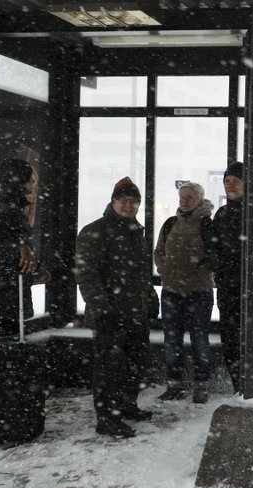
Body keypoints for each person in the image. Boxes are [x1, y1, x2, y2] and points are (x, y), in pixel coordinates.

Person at [75, 177, 159, 438]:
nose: (129, 205)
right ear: (113, 202)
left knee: (136, 363)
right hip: (109, 313)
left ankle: (126, 404)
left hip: (135, 312)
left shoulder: (137, 232)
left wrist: (150, 297)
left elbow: (141, 274)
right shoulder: (95, 231)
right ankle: (107, 419)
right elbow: (86, 273)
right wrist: (101, 306)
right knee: (109, 368)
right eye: (124, 200)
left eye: (134, 201)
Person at [154, 182, 215, 403]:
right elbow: (158, 251)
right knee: (172, 340)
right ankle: (174, 386)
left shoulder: (207, 224)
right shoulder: (170, 223)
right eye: (181, 196)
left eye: (189, 197)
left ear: (200, 199)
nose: (184, 200)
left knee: (200, 339)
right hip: (171, 292)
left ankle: (202, 386)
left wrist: (197, 270)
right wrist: (165, 270)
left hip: (199, 292)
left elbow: (215, 256)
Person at [0, 158, 49, 337]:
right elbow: (6, 256)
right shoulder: (8, 211)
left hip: (4, 300)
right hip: (5, 303)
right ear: (20, 181)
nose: (33, 183)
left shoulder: (5, 208)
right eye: (30, 179)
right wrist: (28, 258)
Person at [211, 161, 245, 393]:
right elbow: (212, 246)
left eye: (235, 180)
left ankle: (248, 389)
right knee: (231, 343)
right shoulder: (222, 213)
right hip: (227, 290)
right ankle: (238, 388)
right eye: (227, 181)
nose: (230, 185)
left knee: (248, 344)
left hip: (249, 291)